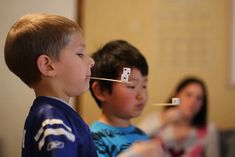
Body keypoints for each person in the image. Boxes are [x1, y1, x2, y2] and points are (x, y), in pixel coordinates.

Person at [4, 13, 98, 157]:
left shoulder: (54, 114)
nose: (91, 61)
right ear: (48, 66)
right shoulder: (52, 119)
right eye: (79, 54)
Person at [89, 40, 163, 157]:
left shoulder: (143, 136)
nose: (141, 95)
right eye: (131, 86)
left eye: (144, 85)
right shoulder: (94, 138)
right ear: (101, 91)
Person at [138, 77, 220, 157]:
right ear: (177, 96)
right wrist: (163, 120)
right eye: (188, 95)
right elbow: (132, 140)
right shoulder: (157, 118)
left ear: (202, 104)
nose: (193, 101)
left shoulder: (208, 129)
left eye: (199, 98)